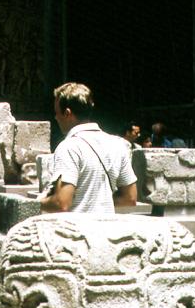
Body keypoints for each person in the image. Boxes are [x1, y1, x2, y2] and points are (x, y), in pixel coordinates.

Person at [40, 82, 137, 213]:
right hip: (108, 230)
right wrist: (100, 204)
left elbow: (61, 202)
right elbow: (130, 198)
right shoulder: (118, 145)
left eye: (57, 112)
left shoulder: (69, 147)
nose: (56, 117)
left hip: (76, 231)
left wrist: (36, 202)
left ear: (67, 113)